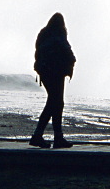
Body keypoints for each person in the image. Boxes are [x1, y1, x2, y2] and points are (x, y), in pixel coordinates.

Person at [30, 12, 76, 149]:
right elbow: (67, 51)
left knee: (54, 102)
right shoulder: (58, 34)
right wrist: (71, 61)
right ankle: (53, 137)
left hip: (44, 72)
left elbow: (37, 51)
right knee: (56, 103)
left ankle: (43, 136)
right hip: (56, 72)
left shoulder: (43, 33)